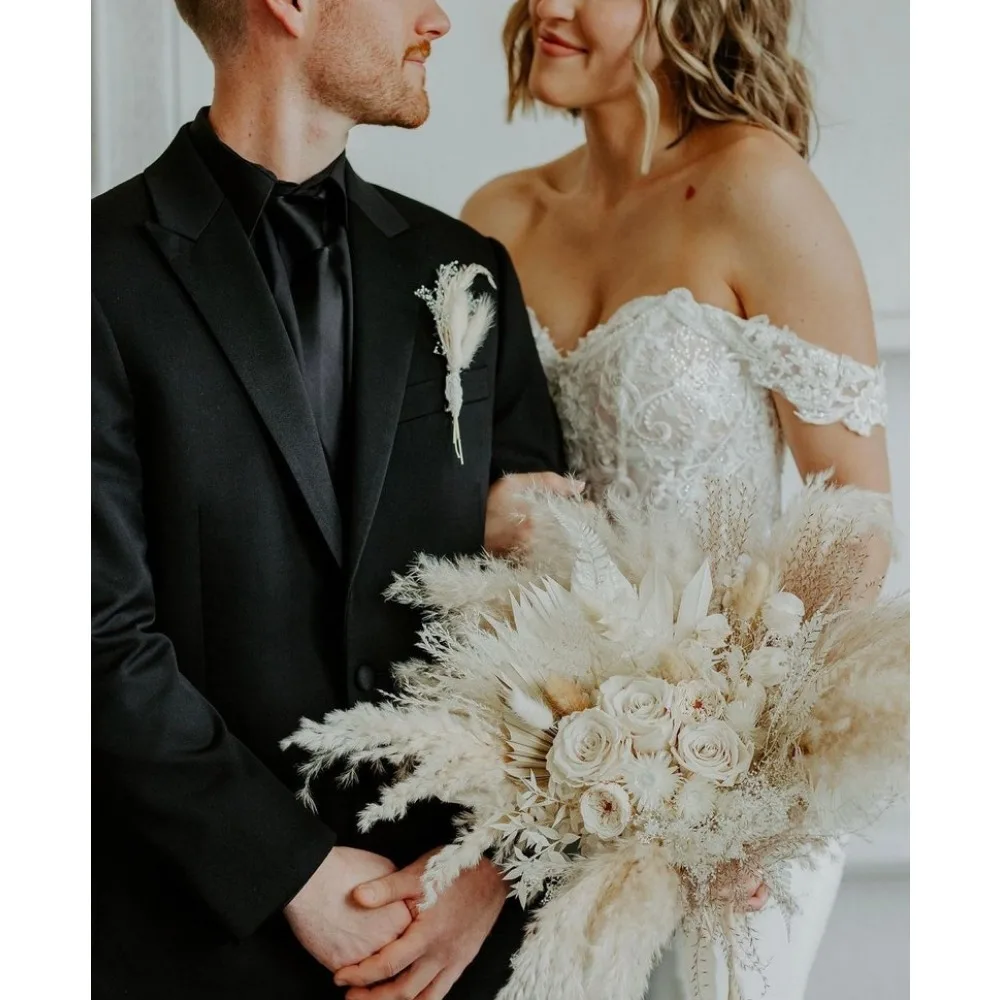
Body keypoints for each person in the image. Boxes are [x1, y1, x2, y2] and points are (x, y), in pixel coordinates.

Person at [91, 2, 567, 998]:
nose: (439, 18)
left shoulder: (465, 269)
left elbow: (553, 613)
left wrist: (484, 868)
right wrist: (287, 870)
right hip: (193, 937)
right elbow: (86, 631)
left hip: (452, 942)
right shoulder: (84, 276)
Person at [461, 1, 892, 996]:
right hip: (546, 759)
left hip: (733, 774)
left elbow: (855, 522)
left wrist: (749, 787)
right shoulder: (495, 218)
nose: (543, 10)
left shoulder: (759, 191)